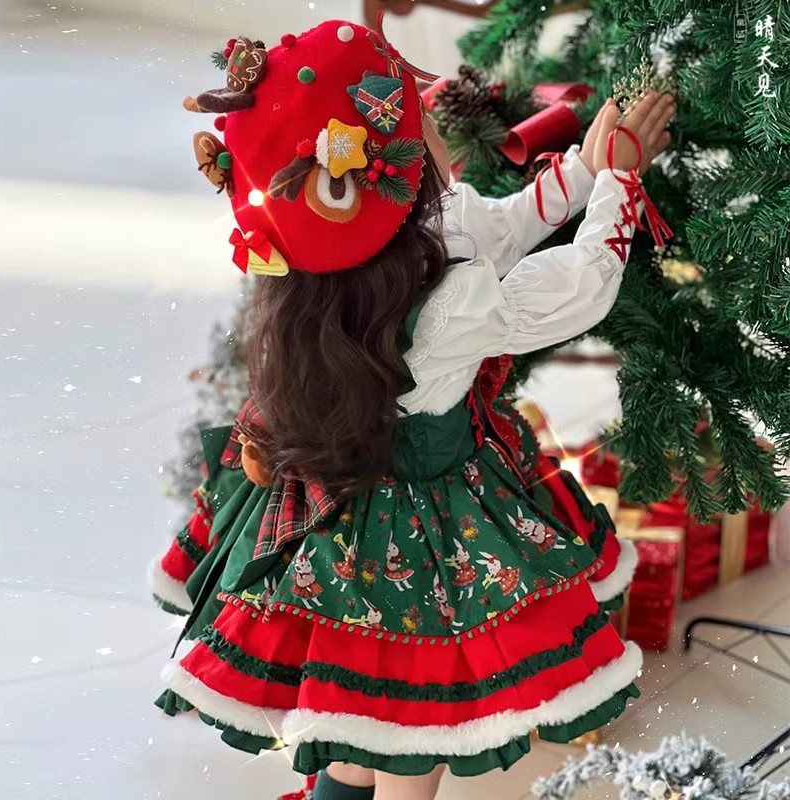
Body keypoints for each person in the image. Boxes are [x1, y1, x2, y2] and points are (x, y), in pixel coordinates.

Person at [148, 16, 675, 800]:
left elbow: (499, 226)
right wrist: (621, 186)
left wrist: (586, 170)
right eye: (419, 112)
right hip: (423, 534)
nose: (435, 116)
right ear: (394, 163)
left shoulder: (336, 255)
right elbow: (583, 285)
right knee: (409, 730)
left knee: (355, 713)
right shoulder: (449, 303)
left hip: (343, 513)